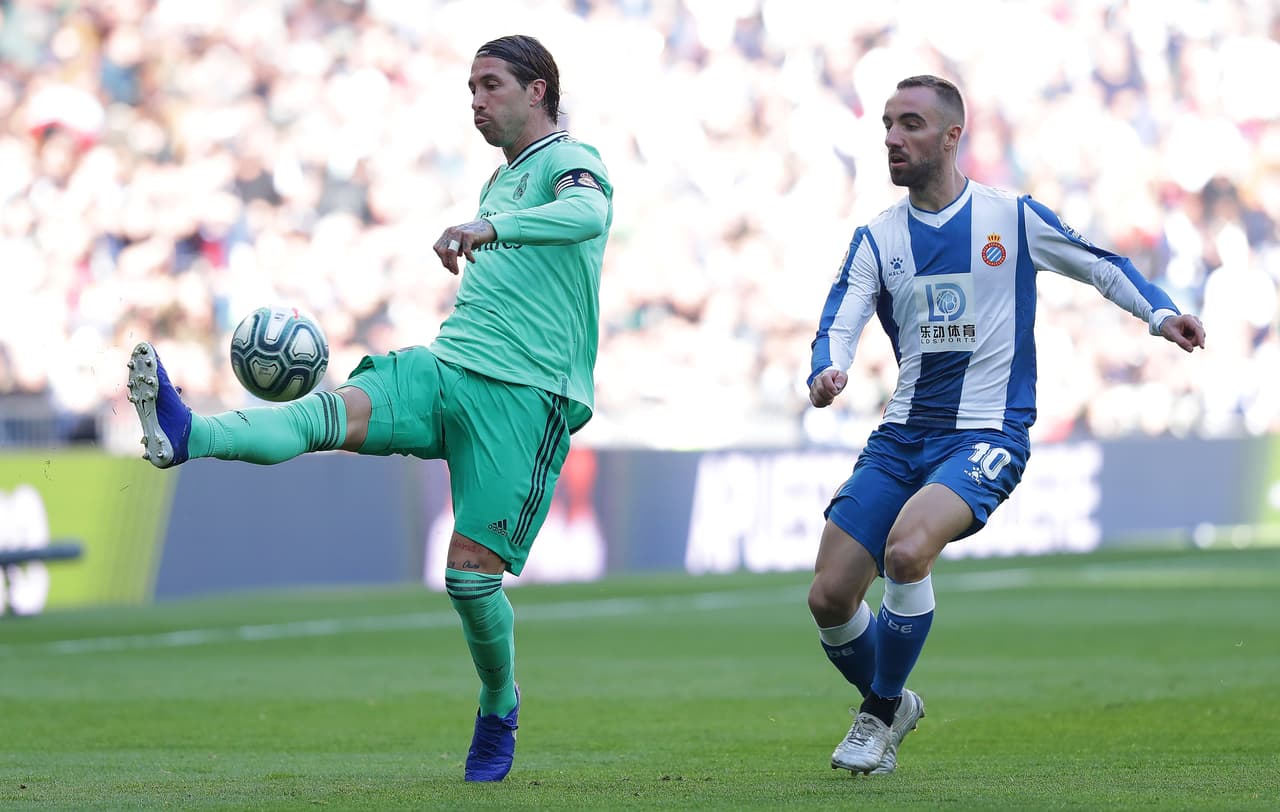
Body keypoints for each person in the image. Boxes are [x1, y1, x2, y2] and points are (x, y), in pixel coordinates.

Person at [125, 34, 612, 783]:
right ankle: (188, 434)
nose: (477, 101)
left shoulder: (569, 161)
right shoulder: (499, 180)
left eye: (491, 85)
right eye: (471, 87)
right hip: (446, 367)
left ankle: (498, 703)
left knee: (471, 582)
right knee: (327, 414)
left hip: (527, 398)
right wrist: (490, 220)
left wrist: (494, 227)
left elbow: (587, 213)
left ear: (538, 89)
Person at [804, 75, 1205, 776]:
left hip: (987, 433)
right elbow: (840, 317)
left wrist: (1160, 314)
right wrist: (828, 368)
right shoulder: (877, 237)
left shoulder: (1011, 217)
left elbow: (1100, 266)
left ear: (953, 137)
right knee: (830, 597)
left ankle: (876, 715)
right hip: (902, 436)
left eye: (912, 125)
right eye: (889, 125)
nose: (894, 138)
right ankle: (891, 702)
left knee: (906, 552)